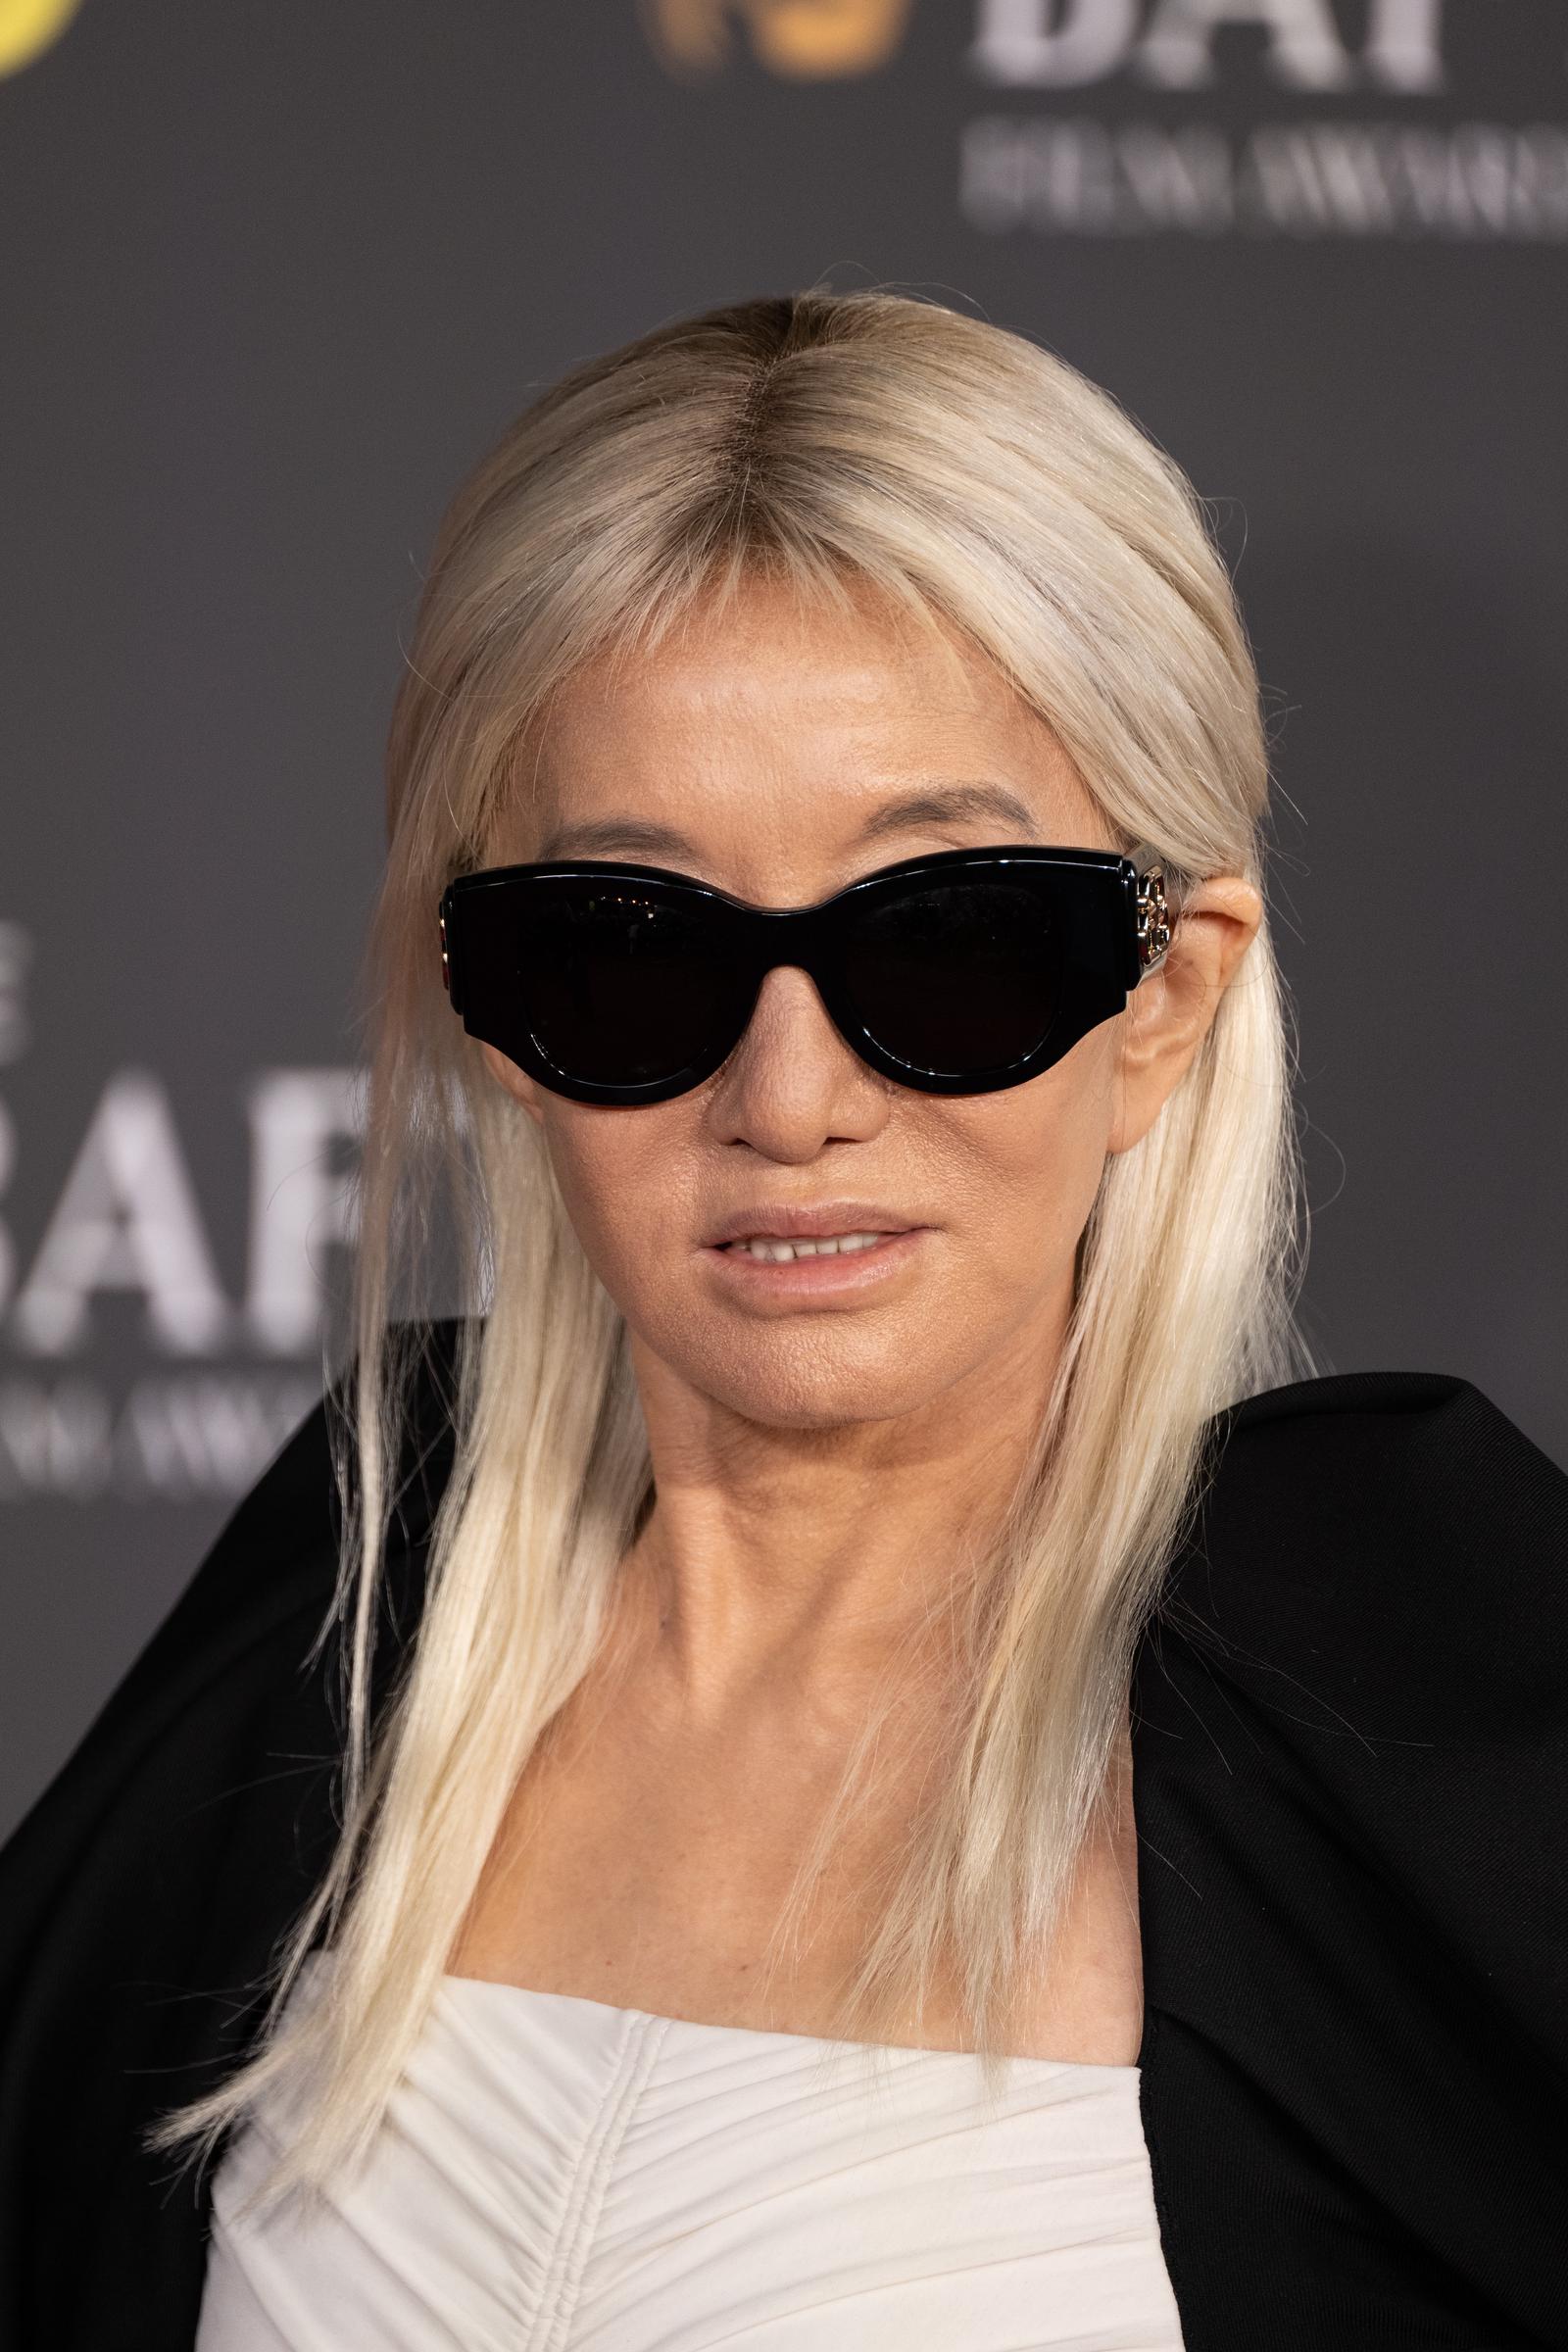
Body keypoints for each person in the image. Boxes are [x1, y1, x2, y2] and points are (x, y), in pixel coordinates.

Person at [1, 288, 1563, 2352]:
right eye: (631, 958)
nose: (789, 1098)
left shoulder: (1412, 1688)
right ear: (493, 1012)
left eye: (950, 944)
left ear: (1157, 1002)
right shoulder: (353, 1604)